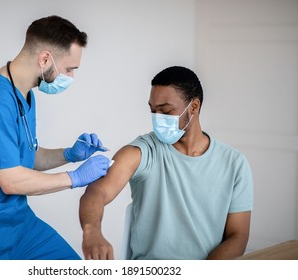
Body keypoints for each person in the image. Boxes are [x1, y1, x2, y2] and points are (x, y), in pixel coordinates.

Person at [0, 15, 111, 260]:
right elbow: (12, 181)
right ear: (45, 59)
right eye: (69, 68)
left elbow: (26, 154)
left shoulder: (25, 95)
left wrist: (69, 154)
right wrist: (75, 177)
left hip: (18, 225)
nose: (70, 77)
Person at [79, 66, 253, 260]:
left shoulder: (234, 164)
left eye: (165, 111)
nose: (157, 118)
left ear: (194, 107)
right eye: (153, 110)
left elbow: (238, 236)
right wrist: (91, 231)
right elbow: (96, 193)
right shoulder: (143, 151)